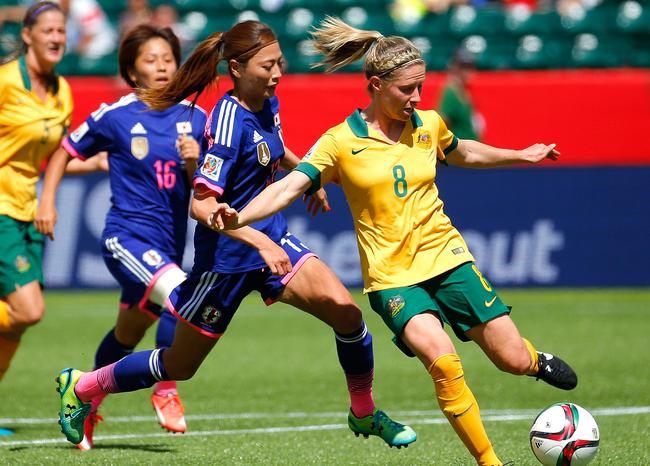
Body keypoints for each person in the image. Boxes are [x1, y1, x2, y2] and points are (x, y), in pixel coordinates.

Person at [211, 17, 578, 466]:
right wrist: (237, 216)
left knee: (512, 360)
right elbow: (287, 187)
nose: (417, 98)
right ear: (376, 85)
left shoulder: (428, 124)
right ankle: (489, 462)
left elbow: (462, 151)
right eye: (407, 90)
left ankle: (535, 361)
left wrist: (520, 154)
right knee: (443, 363)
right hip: (393, 280)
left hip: (448, 260)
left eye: (420, 87)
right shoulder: (340, 142)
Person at [54, 20, 416, 450]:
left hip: (272, 242)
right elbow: (202, 206)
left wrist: (309, 176)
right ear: (238, 68)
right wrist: (259, 241)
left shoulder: (268, 101)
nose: (277, 73)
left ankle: (364, 413)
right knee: (178, 365)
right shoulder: (225, 121)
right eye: (267, 66)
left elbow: (273, 150)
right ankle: (84, 387)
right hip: (224, 263)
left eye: (279, 62)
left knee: (347, 315)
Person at [40, 24, 206, 449]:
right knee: (185, 297)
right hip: (126, 238)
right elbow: (64, 150)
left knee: (126, 337)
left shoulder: (196, 118)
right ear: (132, 72)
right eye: (151, 60)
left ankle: (83, 405)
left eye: (168, 59)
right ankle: (166, 387)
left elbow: (202, 190)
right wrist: (48, 202)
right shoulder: (115, 116)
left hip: (167, 247)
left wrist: (194, 162)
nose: (162, 66)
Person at [0, 1, 71, 383]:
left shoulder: (63, 91)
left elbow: (60, 151)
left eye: (61, 31)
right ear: (27, 35)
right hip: (1, 209)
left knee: (15, 325)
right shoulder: (5, 82)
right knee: (28, 311)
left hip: (28, 211)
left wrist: (47, 199)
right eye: (48, 30)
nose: (57, 38)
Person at [438, 48, 485, 141]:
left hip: (471, 149)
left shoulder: (464, 90)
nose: (467, 71)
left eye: (470, 66)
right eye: (463, 67)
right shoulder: (450, 93)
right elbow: (442, 123)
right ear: (454, 67)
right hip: (459, 150)